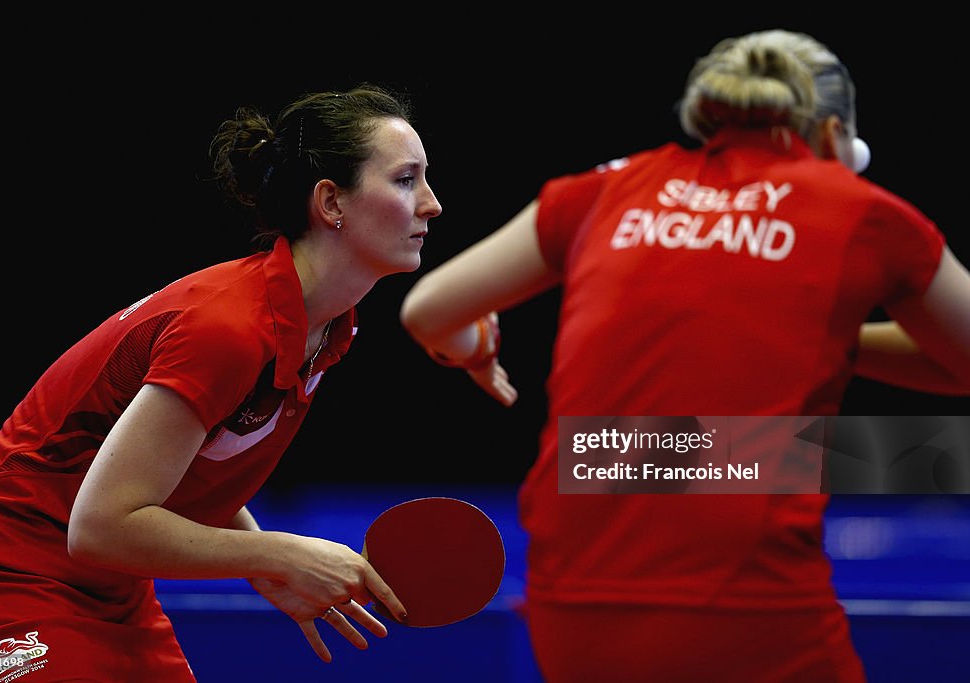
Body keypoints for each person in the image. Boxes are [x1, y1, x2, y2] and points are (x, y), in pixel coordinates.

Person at [400, 30, 969, 683]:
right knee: (825, 452)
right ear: (833, 135)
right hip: (746, 604)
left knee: (688, 450)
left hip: (567, 603)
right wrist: (823, 335)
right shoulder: (864, 210)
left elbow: (427, 311)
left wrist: (477, 350)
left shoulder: (605, 189)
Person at [0, 83, 442, 679]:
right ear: (331, 203)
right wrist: (279, 553)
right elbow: (100, 526)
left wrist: (264, 567)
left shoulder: (326, 330)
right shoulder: (226, 329)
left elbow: (190, 458)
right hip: (0, 577)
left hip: (114, 591)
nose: (432, 203)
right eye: (406, 179)